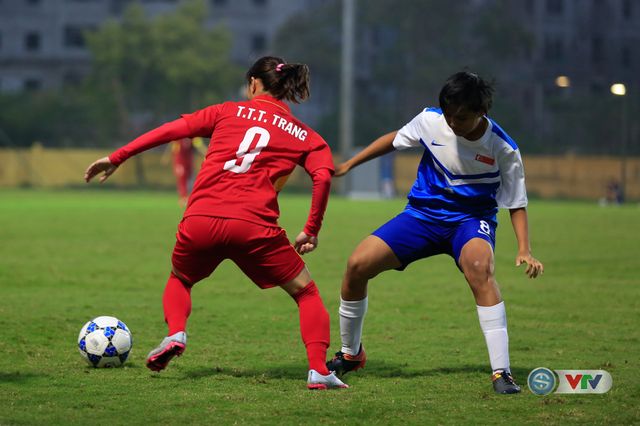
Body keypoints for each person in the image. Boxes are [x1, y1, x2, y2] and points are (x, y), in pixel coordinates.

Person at [84, 56, 347, 390]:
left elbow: (169, 131)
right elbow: (323, 177)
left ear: (253, 83)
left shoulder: (225, 111)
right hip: (255, 227)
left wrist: (117, 157)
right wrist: (312, 229)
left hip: (201, 220)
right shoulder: (307, 136)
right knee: (306, 293)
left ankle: (176, 333)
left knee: (180, 278)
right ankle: (317, 371)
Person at [326, 71, 544, 394]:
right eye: (449, 115)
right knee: (357, 265)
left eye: (462, 117)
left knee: (480, 270)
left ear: (482, 111)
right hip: (422, 216)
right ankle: (350, 354)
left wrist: (524, 248)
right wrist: (349, 165)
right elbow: (394, 139)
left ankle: (502, 373)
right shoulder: (431, 120)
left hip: (469, 221)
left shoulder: (503, 148)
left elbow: (516, 202)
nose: (454, 122)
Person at [165, 137, 207, 206]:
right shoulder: (178, 138)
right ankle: (183, 197)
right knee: (182, 178)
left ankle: (190, 196)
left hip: (189, 161)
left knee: (190, 178)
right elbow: (172, 148)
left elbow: (199, 145)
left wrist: (207, 152)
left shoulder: (193, 136)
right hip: (179, 161)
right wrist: (167, 157)